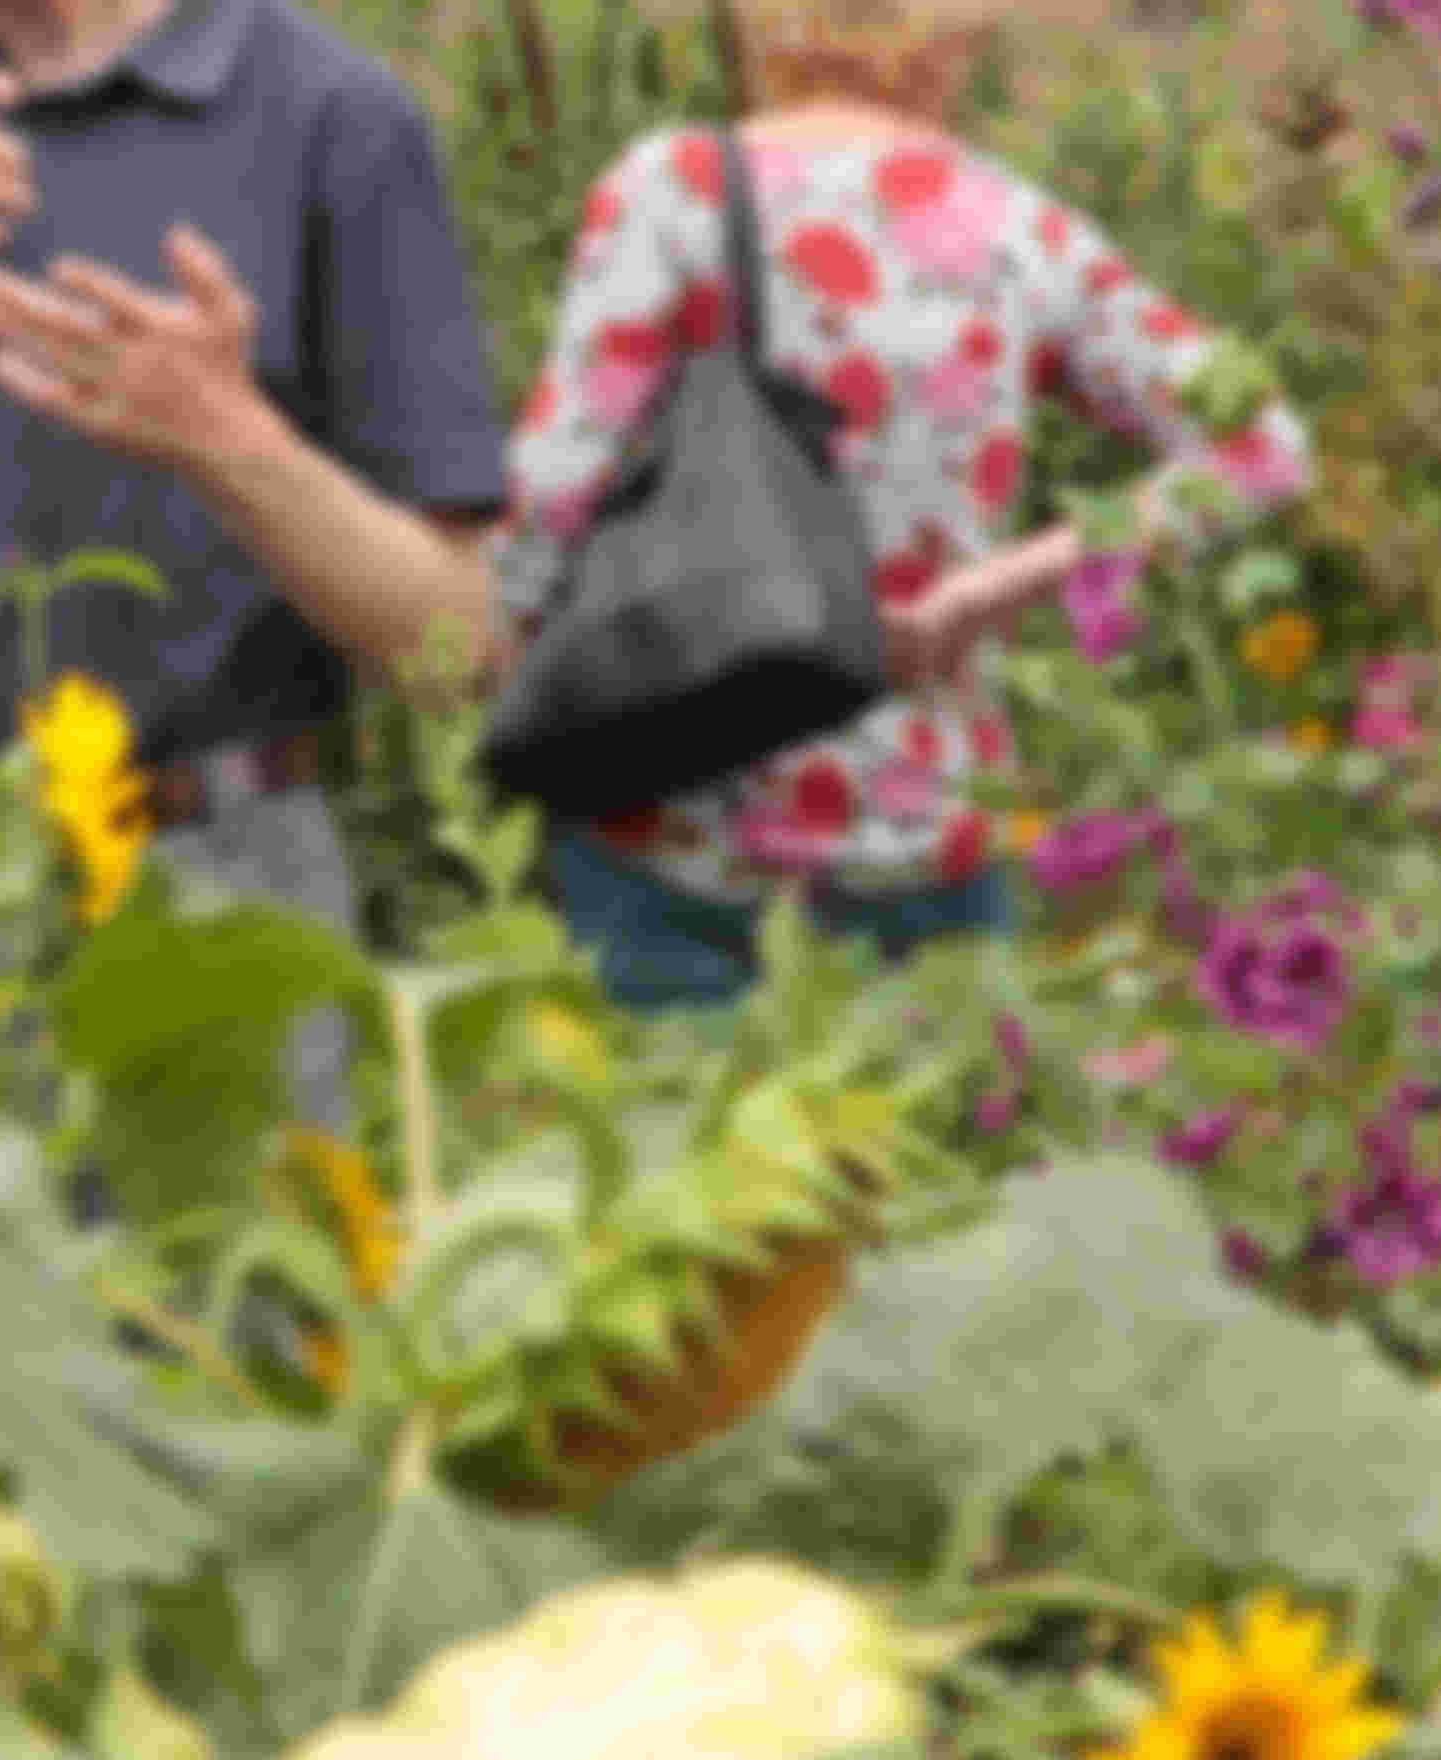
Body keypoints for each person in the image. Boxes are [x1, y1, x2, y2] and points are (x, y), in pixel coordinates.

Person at [0, 0, 516, 1109]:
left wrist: (234, 443)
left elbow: (454, 647)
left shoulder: (331, 117)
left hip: (217, 893)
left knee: (219, 1285)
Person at [493, 0, 1309, 1010]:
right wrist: (999, 586)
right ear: (957, 28)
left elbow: (549, 496)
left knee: (680, 1152)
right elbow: (1262, 447)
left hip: (679, 821)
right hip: (928, 838)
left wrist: (503, 674)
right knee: (941, 1159)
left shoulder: (675, 192)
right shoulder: (1020, 230)